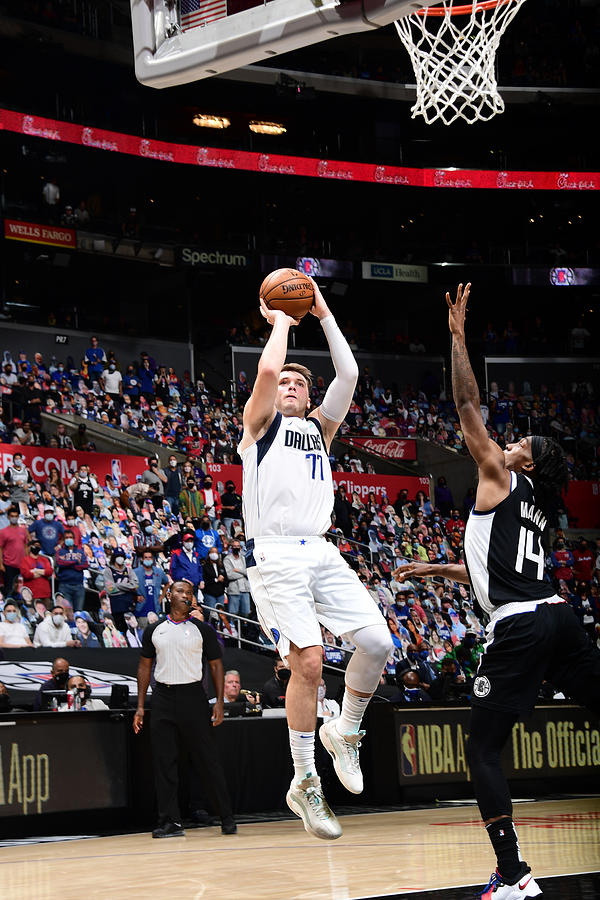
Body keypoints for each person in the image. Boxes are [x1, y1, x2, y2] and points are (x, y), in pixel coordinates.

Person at [445, 282, 600, 900]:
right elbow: (497, 577)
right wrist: (434, 573)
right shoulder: (534, 505)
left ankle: (513, 877)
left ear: (527, 461)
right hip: (558, 615)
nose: (509, 442)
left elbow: (465, 405)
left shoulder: (500, 474)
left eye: (520, 445)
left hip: (522, 625)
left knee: (482, 750)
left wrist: (458, 338)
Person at [239, 277, 392, 840]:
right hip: (275, 554)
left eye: (298, 382)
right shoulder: (259, 428)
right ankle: (305, 780)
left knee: (378, 643)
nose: (289, 385)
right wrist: (280, 319)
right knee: (308, 662)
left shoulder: (320, 432)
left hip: (320, 550)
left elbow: (348, 375)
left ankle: (345, 731)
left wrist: (323, 312)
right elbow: (262, 374)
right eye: (284, 381)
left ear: (308, 396)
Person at [133, 581, 236, 838]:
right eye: (180, 591)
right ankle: (171, 822)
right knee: (164, 762)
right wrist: (141, 706)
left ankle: (227, 816)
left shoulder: (202, 629)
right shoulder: (154, 630)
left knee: (207, 759)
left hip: (193, 697)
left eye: (189, 593)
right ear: (169, 595)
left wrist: (220, 701)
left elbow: (216, 666)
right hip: (163, 698)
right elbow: (145, 667)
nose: (185, 596)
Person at [102, 550, 139, 634]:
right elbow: (110, 589)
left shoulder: (128, 570)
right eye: (118, 556)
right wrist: (127, 587)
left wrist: (117, 585)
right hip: (116, 606)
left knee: (133, 629)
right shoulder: (109, 571)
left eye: (122, 556)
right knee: (121, 630)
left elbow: (135, 585)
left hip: (129, 604)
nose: (120, 558)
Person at [134, 549, 169, 626]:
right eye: (146, 557)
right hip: (141, 610)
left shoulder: (158, 571)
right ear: (142, 559)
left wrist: (161, 597)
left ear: (153, 559)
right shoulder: (135, 572)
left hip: (155, 609)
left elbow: (167, 583)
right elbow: (129, 587)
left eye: (150, 557)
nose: (148, 559)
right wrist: (134, 597)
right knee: (143, 634)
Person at [55, 530, 88, 611]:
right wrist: (75, 561)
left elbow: (85, 565)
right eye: (66, 538)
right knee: (67, 611)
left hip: (79, 586)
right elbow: (60, 563)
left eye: (70, 537)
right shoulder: (60, 551)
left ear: (74, 539)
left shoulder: (80, 551)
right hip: (64, 585)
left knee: (79, 611)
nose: (68, 539)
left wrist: (68, 564)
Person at [0, 506, 29, 593]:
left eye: (16, 516)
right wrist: (1, 564)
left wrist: (27, 561)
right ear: (8, 517)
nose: (14, 518)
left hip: (22, 564)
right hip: (9, 564)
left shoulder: (23, 531)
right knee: (10, 588)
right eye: (12, 516)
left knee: (22, 588)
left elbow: (26, 546)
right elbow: (0, 548)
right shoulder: (3, 532)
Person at [19, 539, 53, 605]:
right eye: (35, 545)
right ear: (30, 547)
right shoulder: (25, 560)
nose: (37, 547)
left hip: (45, 593)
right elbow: (26, 574)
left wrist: (35, 570)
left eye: (38, 545)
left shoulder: (45, 559)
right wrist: (43, 572)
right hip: (31, 594)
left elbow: (49, 572)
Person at [223, 540, 251, 620]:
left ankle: (244, 631)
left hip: (245, 589)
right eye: (234, 546)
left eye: (238, 546)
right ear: (231, 548)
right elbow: (230, 575)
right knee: (233, 614)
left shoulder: (243, 558)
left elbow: (248, 572)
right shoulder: (227, 559)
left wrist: (238, 570)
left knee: (246, 613)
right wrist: (243, 573)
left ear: (240, 547)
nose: (236, 548)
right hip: (234, 590)